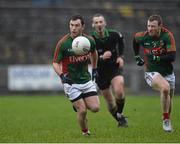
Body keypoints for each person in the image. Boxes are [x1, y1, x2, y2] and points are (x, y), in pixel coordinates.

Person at [52, 14, 100, 136]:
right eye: (71, 25)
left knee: (95, 108)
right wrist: (62, 76)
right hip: (71, 82)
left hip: (86, 80)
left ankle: (78, 104)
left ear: (83, 27)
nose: (73, 28)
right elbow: (55, 63)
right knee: (82, 111)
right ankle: (85, 132)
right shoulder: (63, 43)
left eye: (77, 25)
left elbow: (94, 53)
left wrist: (94, 69)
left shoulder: (89, 41)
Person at [133, 14, 176, 132]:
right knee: (165, 88)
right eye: (148, 26)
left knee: (169, 98)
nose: (150, 29)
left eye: (153, 26)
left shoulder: (167, 36)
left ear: (160, 27)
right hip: (151, 72)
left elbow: (172, 57)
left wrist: (158, 58)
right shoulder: (143, 36)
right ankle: (166, 119)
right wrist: (137, 56)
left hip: (168, 72)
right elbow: (135, 40)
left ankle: (167, 118)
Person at [91, 13, 128, 127]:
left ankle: (120, 114)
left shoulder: (114, 34)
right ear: (93, 25)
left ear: (105, 23)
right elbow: (88, 58)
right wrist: (101, 57)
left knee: (119, 90)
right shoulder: (90, 40)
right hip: (100, 72)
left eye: (101, 22)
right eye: (96, 22)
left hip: (113, 68)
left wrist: (120, 57)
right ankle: (120, 121)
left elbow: (121, 42)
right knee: (110, 102)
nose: (99, 24)